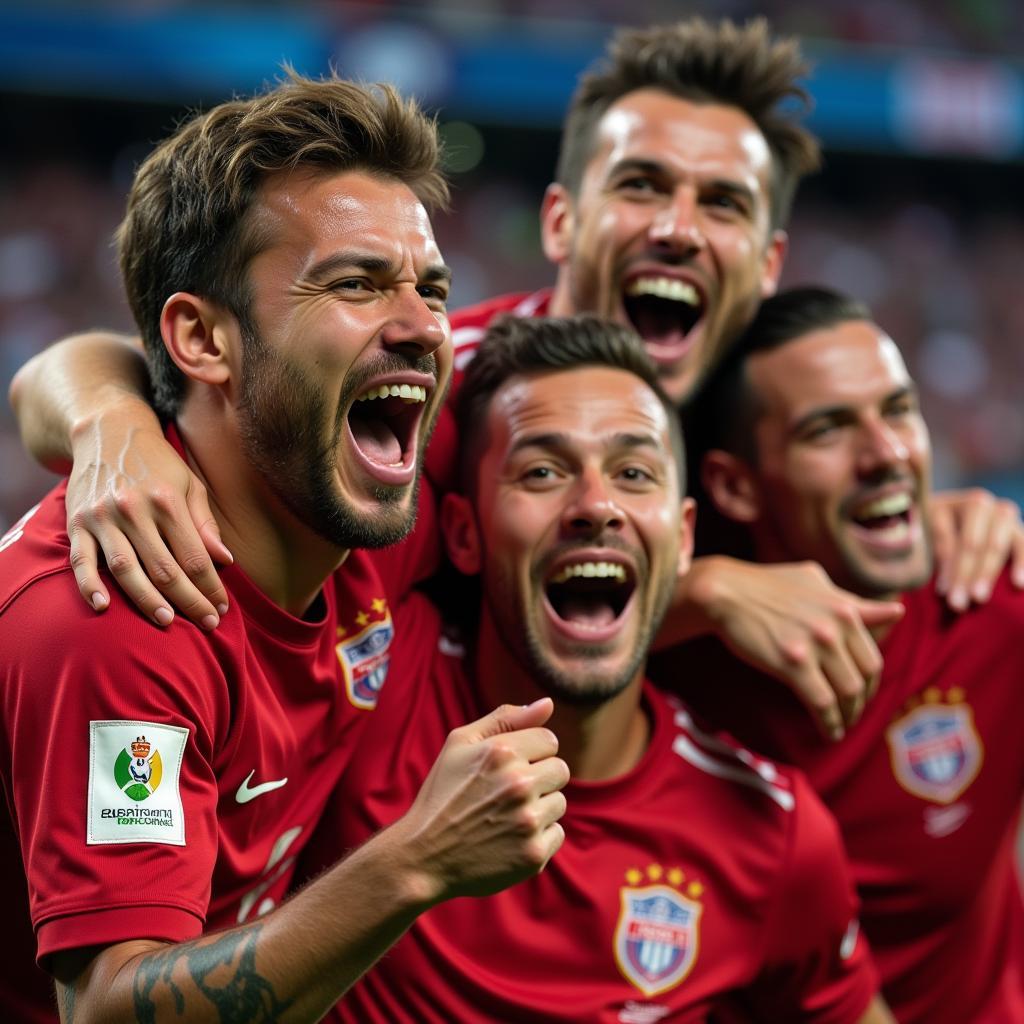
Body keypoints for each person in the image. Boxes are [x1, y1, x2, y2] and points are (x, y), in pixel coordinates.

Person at [10, 17, 1023, 746]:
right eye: (640, 185)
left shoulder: (770, 422)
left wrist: (966, 518)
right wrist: (112, 420)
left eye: (721, 203)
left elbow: (888, 487)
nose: (676, 226)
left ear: (764, 265)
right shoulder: (443, 389)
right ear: (559, 224)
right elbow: (101, 362)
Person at [0, 73, 569, 1024]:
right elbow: (103, 1009)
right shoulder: (116, 607)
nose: (424, 327)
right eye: (355, 282)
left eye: (430, 288)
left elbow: (613, 376)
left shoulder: (357, 497)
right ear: (201, 338)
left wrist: (717, 588)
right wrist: (418, 860)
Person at [306, 312, 894, 1023]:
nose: (596, 506)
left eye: (634, 472)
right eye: (544, 471)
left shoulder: (776, 835)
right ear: (463, 533)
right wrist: (124, 411)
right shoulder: (365, 683)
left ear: (682, 540)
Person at [665, 285, 1024, 1023]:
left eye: (898, 410)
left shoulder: (996, 606)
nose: (887, 453)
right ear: (734, 486)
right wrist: (701, 592)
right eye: (828, 430)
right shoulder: (659, 659)